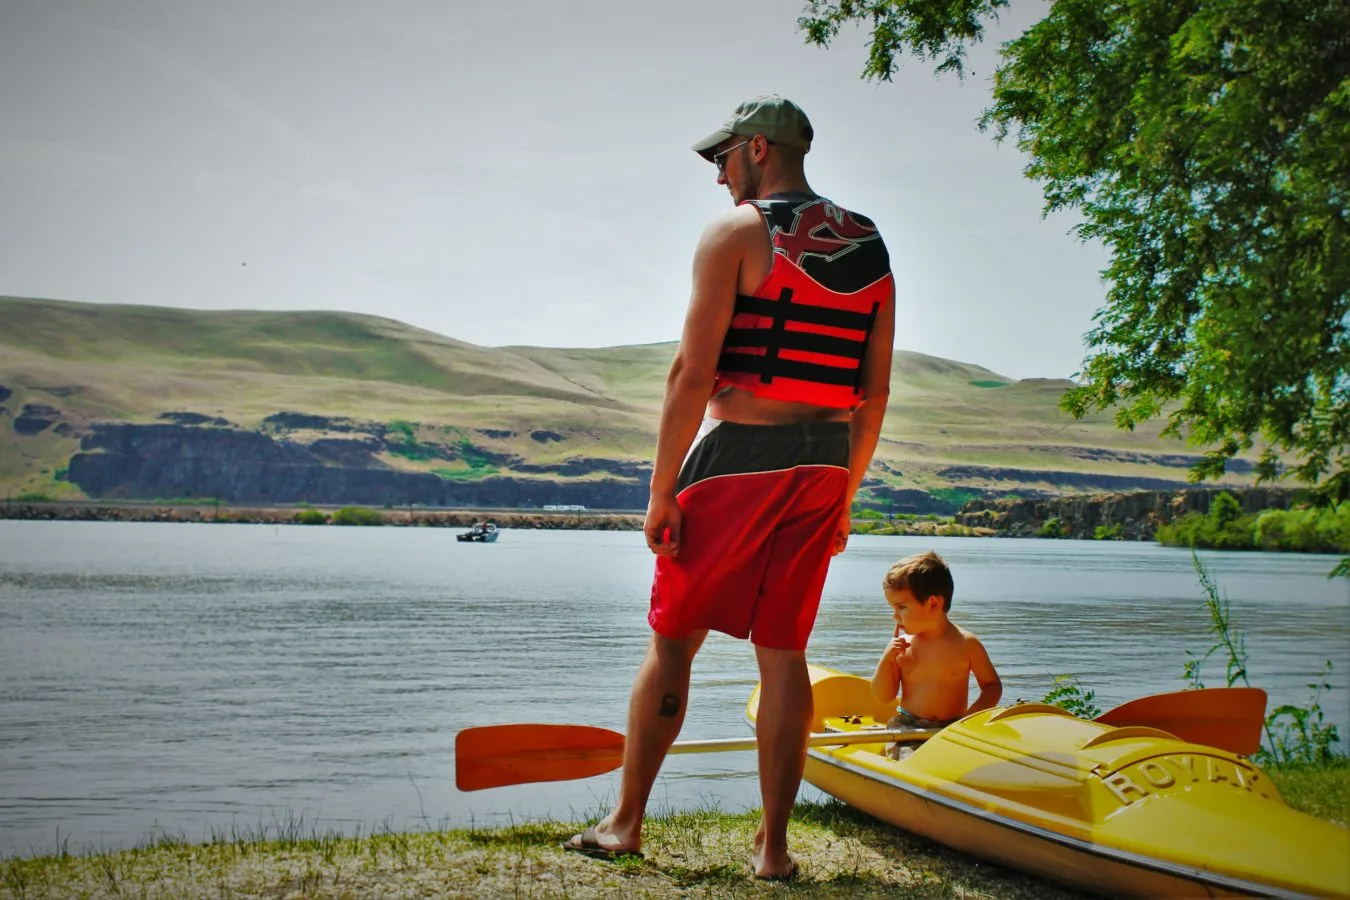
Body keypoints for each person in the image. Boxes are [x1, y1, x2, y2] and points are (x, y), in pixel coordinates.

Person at [563, 94, 895, 880]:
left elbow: (692, 373)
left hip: (739, 455)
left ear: (755, 149)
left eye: (722, 160)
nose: (717, 178)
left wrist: (661, 490)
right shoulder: (872, 244)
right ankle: (773, 851)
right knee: (784, 655)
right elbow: (873, 394)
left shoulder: (740, 233)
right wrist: (846, 493)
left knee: (673, 640)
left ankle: (625, 824)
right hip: (824, 458)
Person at [870, 551, 1002, 759]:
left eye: (901, 607)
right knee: (910, 759)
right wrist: (887, 659)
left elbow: (992, 687)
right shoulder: (903, 646)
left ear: (933, 604)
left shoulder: (966, 644)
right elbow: (882, 696)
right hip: (908, 728)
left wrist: (967, 721)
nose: (895, 616)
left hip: (952, 727)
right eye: (892, 607)